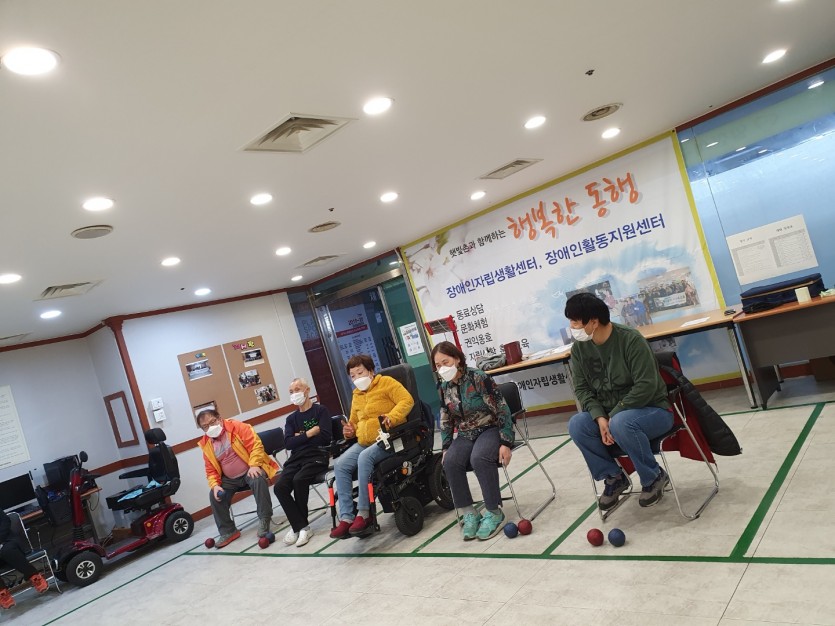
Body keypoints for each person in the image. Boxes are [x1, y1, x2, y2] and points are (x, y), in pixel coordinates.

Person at [565, 292, 673, 510]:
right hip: (610, 416)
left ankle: (653, 476)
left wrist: (612, 416)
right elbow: (582, 389)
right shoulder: (579, 349)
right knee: (577, 424)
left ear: (593, 322)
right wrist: (599, 417)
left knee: (622, 422)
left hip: (652, 410)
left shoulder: (630, 340)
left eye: (575, 322)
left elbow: (646, 386)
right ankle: (614, 476)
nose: (572, 327)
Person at [433, 341, 514, 541]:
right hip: (465, 433)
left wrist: (506, 442)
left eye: (446, 362)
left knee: (479, 458)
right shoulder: (443, 387)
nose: (442, 368)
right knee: (450, 461)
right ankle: (469, 512)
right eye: (438, 365)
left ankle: (494, 512)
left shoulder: (478, 377)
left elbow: (502, 409)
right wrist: (446, 447)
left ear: (457, 359)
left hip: (490, 427)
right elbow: (446, 419)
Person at [330, 355, 414, 538]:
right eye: (353, 376)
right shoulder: (357, 394)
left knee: (364, 457)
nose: (357, 378)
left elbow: (407, 401)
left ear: (371, 371)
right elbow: (353, 422)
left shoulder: (386, 383)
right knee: (340, 464)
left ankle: (364, 513)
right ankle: (346, 517)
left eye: (360, 372)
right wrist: (349, 431)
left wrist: (392, 417)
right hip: (364, 442)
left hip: (388, 438)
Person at [197, 409, 279, 548]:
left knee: (257, 478)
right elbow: (210, 470)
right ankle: (228, 531)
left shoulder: (238, 427)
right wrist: (215, 485)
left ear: (219, 418)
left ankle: (264, 519)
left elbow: (256, 446)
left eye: (212, 422)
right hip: (229, 479)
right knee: (214, 495)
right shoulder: (206, 445)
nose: (210, 427)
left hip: (250, 469)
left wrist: (254, 465)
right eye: (205, 426)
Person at [274, 377, 332, 547]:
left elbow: (325, 437)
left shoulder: (321, 411)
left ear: (307, 390)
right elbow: (288, 443)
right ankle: (300, 526)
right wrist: (310, 433)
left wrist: (299, 437)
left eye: (298, 389)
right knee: (280, 487)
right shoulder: (291, 419)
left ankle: (300, 528)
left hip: (317, 455)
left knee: (299, 480)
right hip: (296, 458)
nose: (294, 394)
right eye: (291, 392)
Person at [0, 510, 49, 609]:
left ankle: (34, 576)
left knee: (7, 550)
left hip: (5, 541)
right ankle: (2, 593)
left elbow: (5, 521)